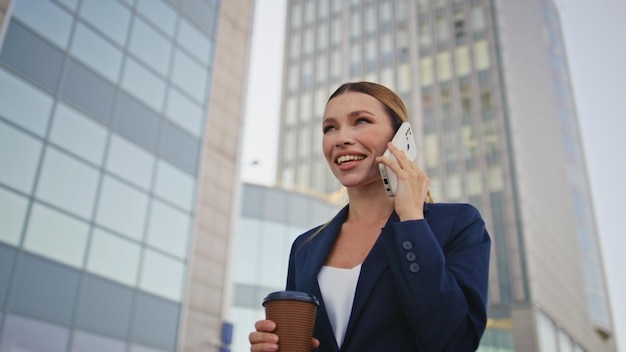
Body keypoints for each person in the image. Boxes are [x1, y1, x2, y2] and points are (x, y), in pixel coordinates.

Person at [249, 81, 491, 351]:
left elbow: (455, 341)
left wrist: (411, 218)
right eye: (330, 128)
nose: (341, 139)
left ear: (401, 137)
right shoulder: (305, 247)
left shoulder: (457, 224)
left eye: (361, 121)